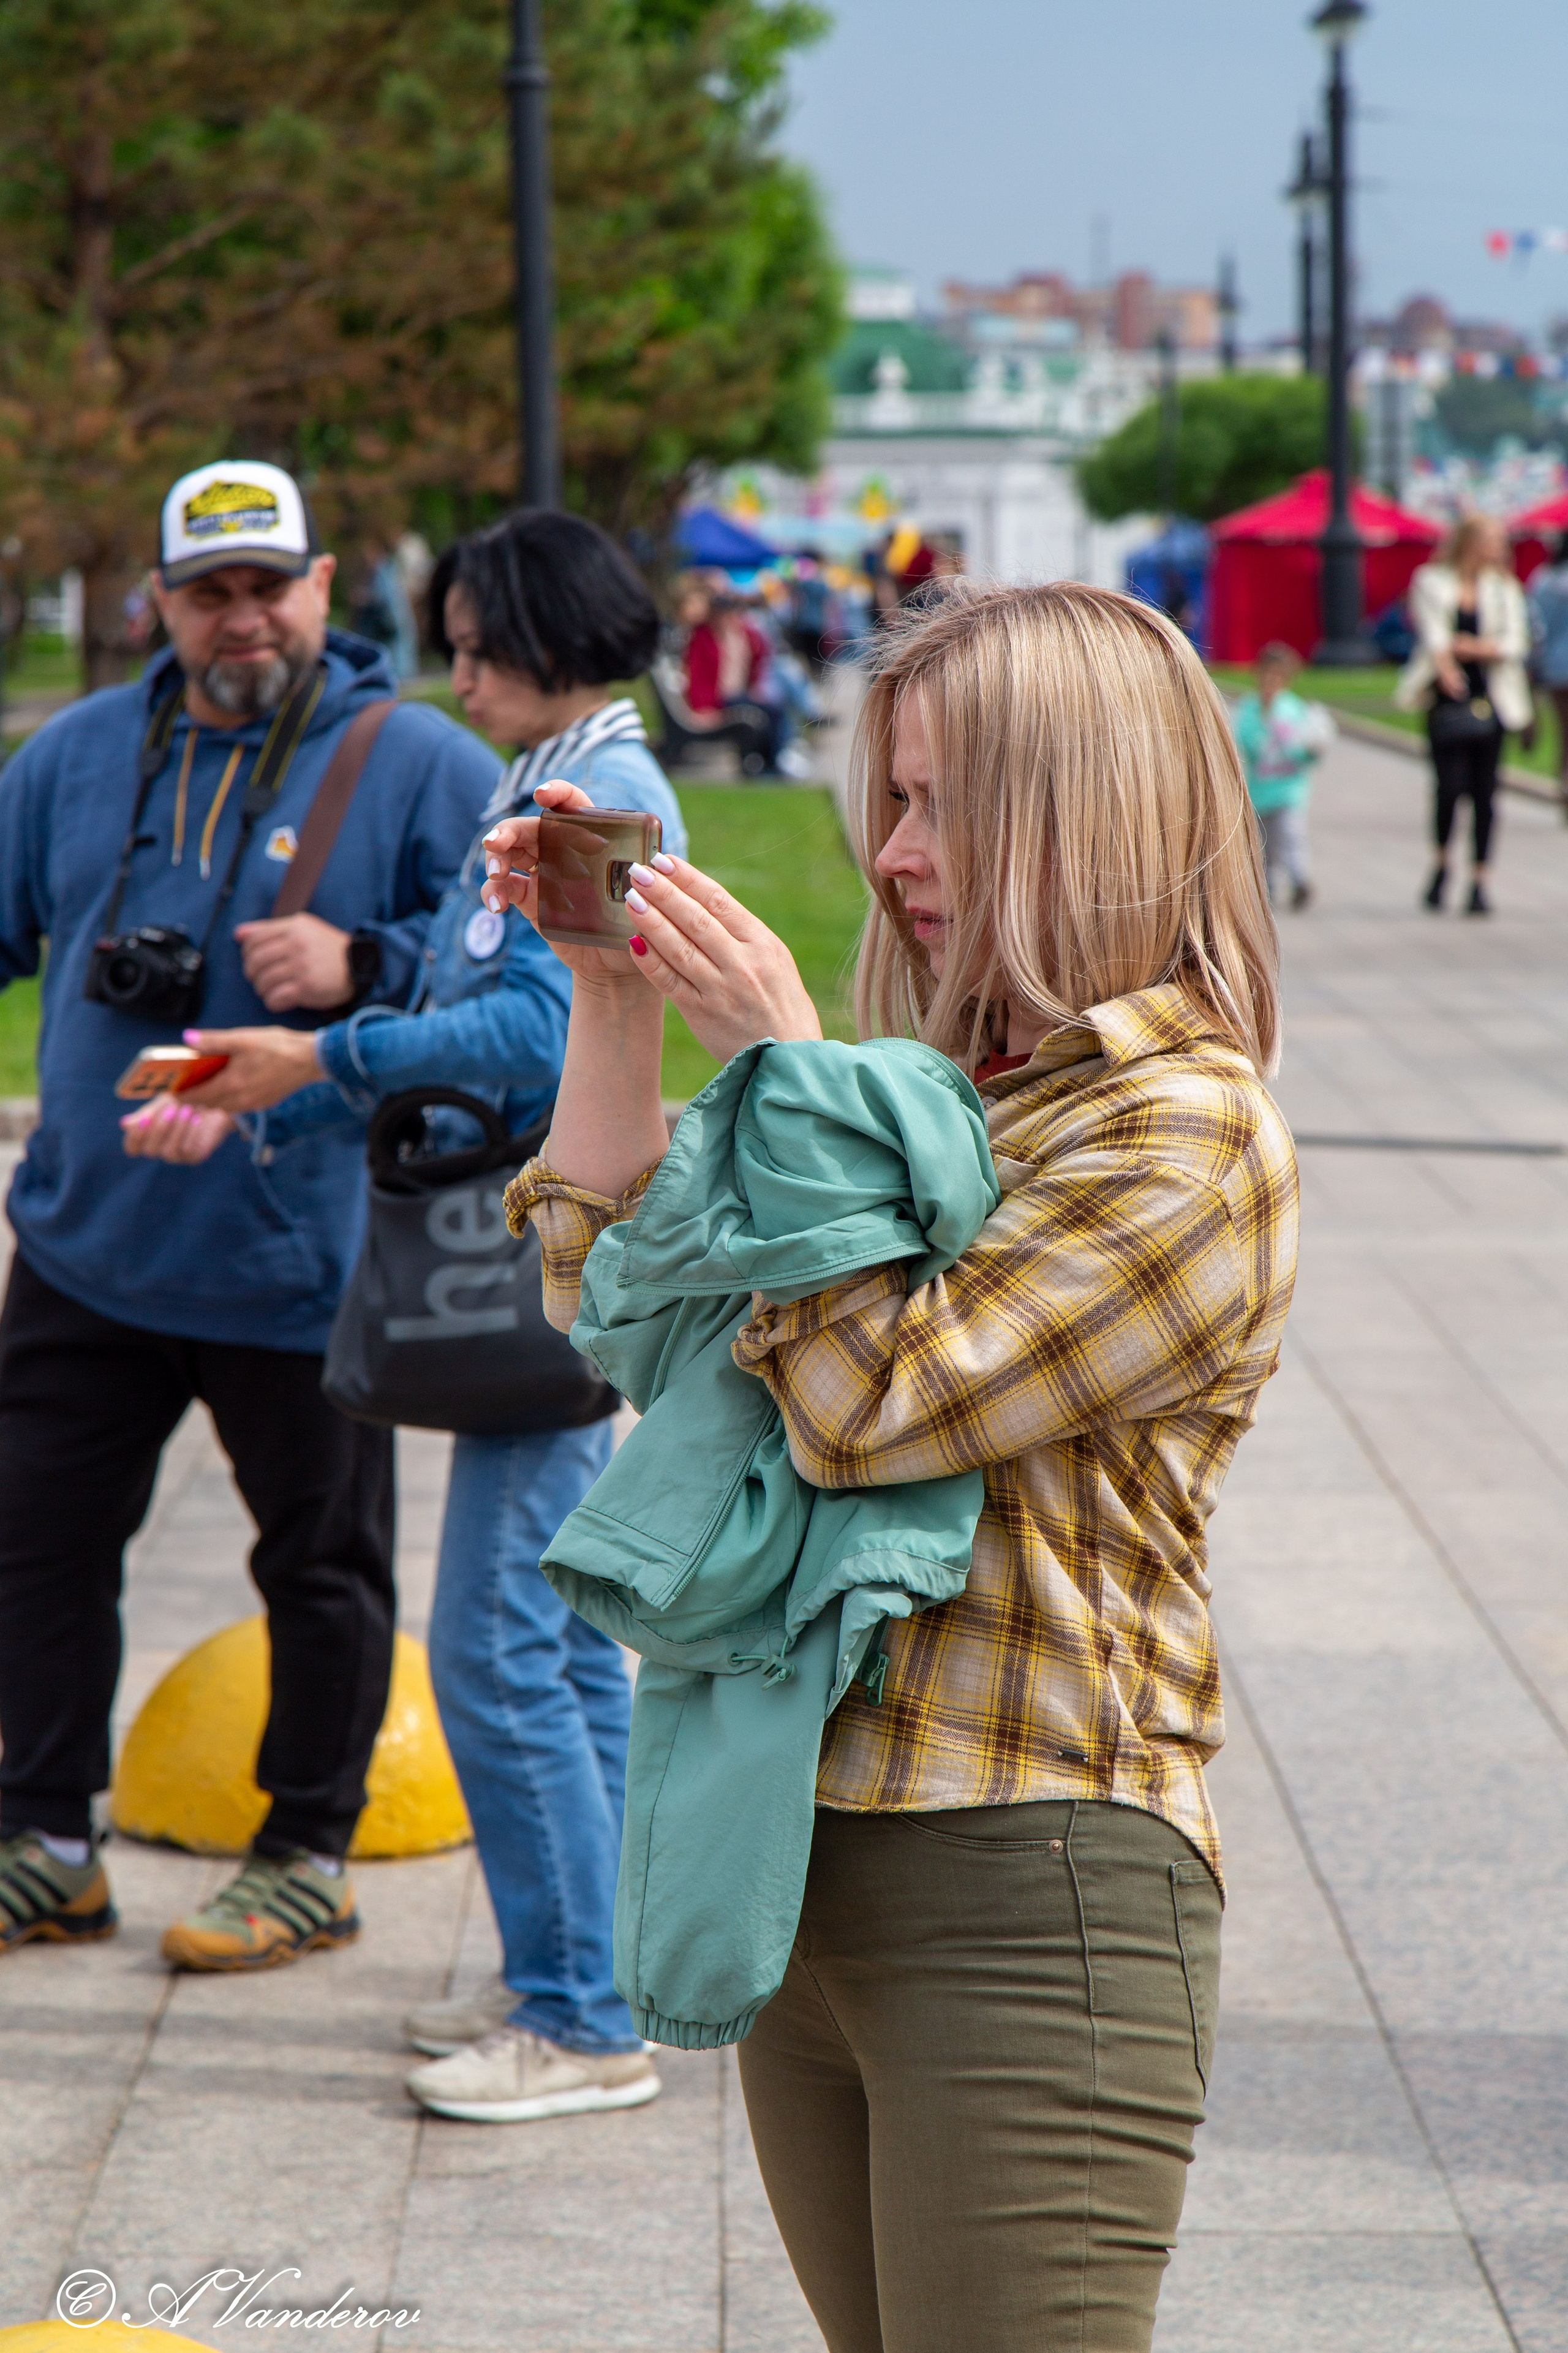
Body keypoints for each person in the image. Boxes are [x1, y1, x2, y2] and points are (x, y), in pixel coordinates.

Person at [482, 580, 1298, 2352]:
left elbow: (871, 1402)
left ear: (1076, 811)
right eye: (891, 799)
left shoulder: (1187, 1129)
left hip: (1034, 1884)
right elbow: (618, 1313)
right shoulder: (931, 1089)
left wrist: (782, 1069)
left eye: (935, 804)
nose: (889, 852)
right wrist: (611, 999)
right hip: (804, 1857)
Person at [126, 508, 682, 2125]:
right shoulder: (556, 778)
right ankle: (587, 1969)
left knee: (501, 1648)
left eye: (468, 635)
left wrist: (311, 1066)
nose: (453, 665)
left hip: (566, 1258)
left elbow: (521, 1024)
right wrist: (268, 1094)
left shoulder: (597, 794)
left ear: (541, 635)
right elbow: (460, 1000)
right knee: (561, 1649)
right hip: (560, 1242)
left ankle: (584, 2019)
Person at [0, 459, 495, 1970]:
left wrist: (364, 963)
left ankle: (304, 1853)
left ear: (324, 587)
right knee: (34, 1539)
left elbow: (508, 977)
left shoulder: (417, 761)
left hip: (304, 1254)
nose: (239, 618)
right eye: (206, 590)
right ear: (156, 598)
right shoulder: (74, 752)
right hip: (88, 1239)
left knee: (321, 1565)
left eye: (266, 585)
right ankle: (47, 1839)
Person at [1396, 514, 1531, 916]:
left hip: (1493, 699)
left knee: (1486, 793)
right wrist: (1454, 658)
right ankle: (1441, 865)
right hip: (1447, 698)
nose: (1498, 547)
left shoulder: (1504, 588)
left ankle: (1480, 878)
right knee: (1449, 788)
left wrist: (1466, 647)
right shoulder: (1432, 581)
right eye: (1491, 539)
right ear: (1471, 541)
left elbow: (1515, 643)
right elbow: (1434, 636)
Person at [1231, 641, 1335, 911]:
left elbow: (1307, 747)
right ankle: (1267, 887)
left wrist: (1312, 749)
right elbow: (1243, 742)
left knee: (1292, 835)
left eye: (1277, 677)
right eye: (1266, 675)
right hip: (1261, 790)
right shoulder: (1250, 709)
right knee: (1264, 845)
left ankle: (1300, 879)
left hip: (1289, 789)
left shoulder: (1293, 709)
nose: (1270, 682)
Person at [675, 573, 790, 775]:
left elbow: (757, 658)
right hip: (720, 700)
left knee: (772, 709)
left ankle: (771, 762)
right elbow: (697, 676)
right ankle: (772, 765)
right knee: (772, 711)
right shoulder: (704, 637)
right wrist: (704, 708)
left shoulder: (744, 634)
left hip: (738, 695)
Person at [1526, 529, 1568, 810]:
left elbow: (1533, 628)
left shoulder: (1543, 580)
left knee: (1564, 730)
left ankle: (1563, 781)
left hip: (1555, 667)